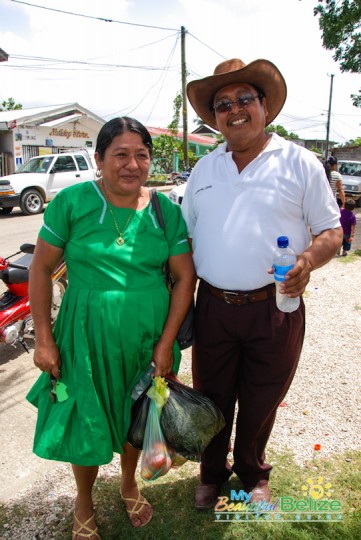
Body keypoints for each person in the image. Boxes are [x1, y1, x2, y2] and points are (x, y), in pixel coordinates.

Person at [182, 58, 343, 509]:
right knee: (212, 399)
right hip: (213, 305)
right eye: (222, 104)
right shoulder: (203, 170)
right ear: (214, 117)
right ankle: (211, 475)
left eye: (244, 99)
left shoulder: (299, 161)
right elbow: (186, 241)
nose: (234, 109)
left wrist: (308, 261)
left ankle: (252, 474)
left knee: (261, 397)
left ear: (265, 106)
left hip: (276, 305)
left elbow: (332, 231)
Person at [26, 117, 196, 538]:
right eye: (120, 154)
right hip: (84, 336)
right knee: (86, 415)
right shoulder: (72, 202)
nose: (132, 164)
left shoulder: (165, 212)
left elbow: (184, 279)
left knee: (137, 413)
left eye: (141, 154)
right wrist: (44, 339)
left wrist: (166, 342)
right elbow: (41, 268)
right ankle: (84, 501)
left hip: (147, 338)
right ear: (99, 159)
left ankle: (127, 482)